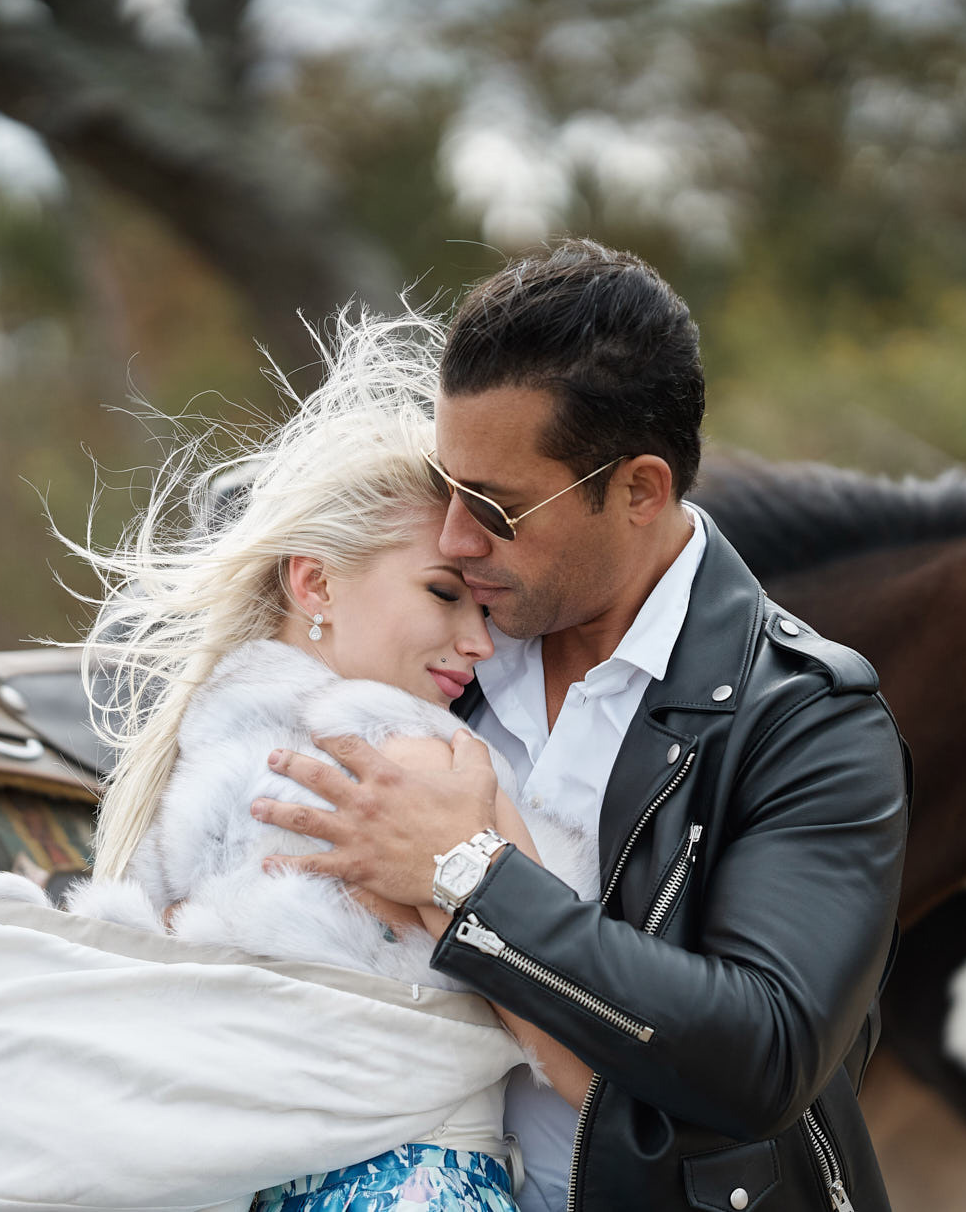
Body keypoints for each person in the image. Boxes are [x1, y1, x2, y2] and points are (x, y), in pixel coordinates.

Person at [256, 241, 911, 1212]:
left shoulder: (809, 721)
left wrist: (467, 875)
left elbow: (763, 1054)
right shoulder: (440, 655)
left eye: (496, 507)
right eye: (450, 489)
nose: (454, 538)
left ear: (639, 489)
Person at [64, 316, 602, 1210]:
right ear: (313, 583)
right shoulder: (422, 764)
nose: (479, 641)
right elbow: (587, 1069)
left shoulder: (189, 773)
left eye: (481, 606)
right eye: (441, 594)